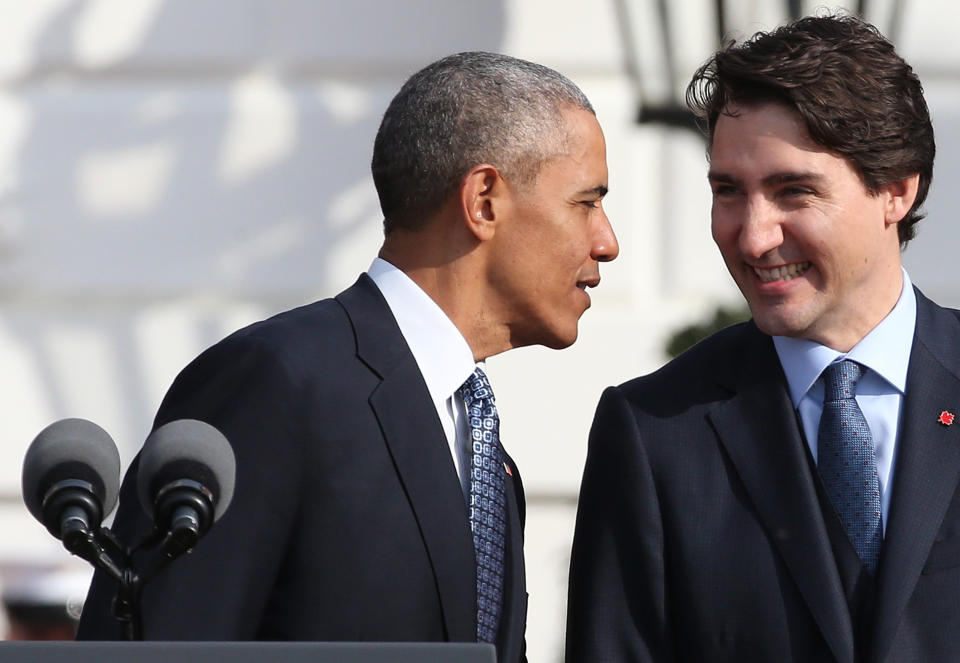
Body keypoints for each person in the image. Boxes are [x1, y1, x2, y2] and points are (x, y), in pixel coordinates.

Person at [77, 51, 618, 663]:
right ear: (484, 200)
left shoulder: (485, 452)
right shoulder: (277, 383)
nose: (608, 242)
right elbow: (160, 644)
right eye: (587, 202)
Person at [566, 14, 952, 663]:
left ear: (896, 188)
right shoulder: (654, 434)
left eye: (793, 191)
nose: (752, 236)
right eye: (728, 192)